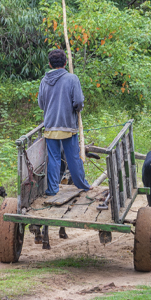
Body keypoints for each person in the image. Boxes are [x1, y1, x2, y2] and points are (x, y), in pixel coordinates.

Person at [38, 48, 91, 196]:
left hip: (50, 126)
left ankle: (52, 189)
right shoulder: (72, 79)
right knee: (73, 156)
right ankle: (82, 185)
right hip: (68, 126)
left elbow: (41, 104)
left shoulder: (44, 81)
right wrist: (76, 108)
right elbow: (79, 101)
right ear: (66, 62)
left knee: (54, 158)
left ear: (49, 64)